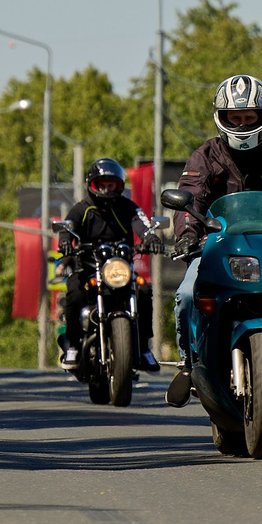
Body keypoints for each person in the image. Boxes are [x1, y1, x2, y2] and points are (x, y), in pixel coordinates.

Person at [167, 75, 262, 398]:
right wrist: (187, 235)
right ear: (221, 118)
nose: (241, 124)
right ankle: (188, 362)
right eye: (234, 118)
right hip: (216, 247)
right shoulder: (205, 156)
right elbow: (190, 196)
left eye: (248, 117)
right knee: (185, 295)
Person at [58, 157, 159, 369]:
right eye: (101, 184)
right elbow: (68, 227)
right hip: (89, 268)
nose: (106, 189)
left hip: (120, 268)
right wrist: (66, 242)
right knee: (74, 290)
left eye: (111, 184)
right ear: (92, 184)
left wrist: (151, 238)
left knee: (144, 290)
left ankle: (143, 347)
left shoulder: (128, 207)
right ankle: (73, 344)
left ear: (119, 185)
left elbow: (141, 223)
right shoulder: (81, 208)